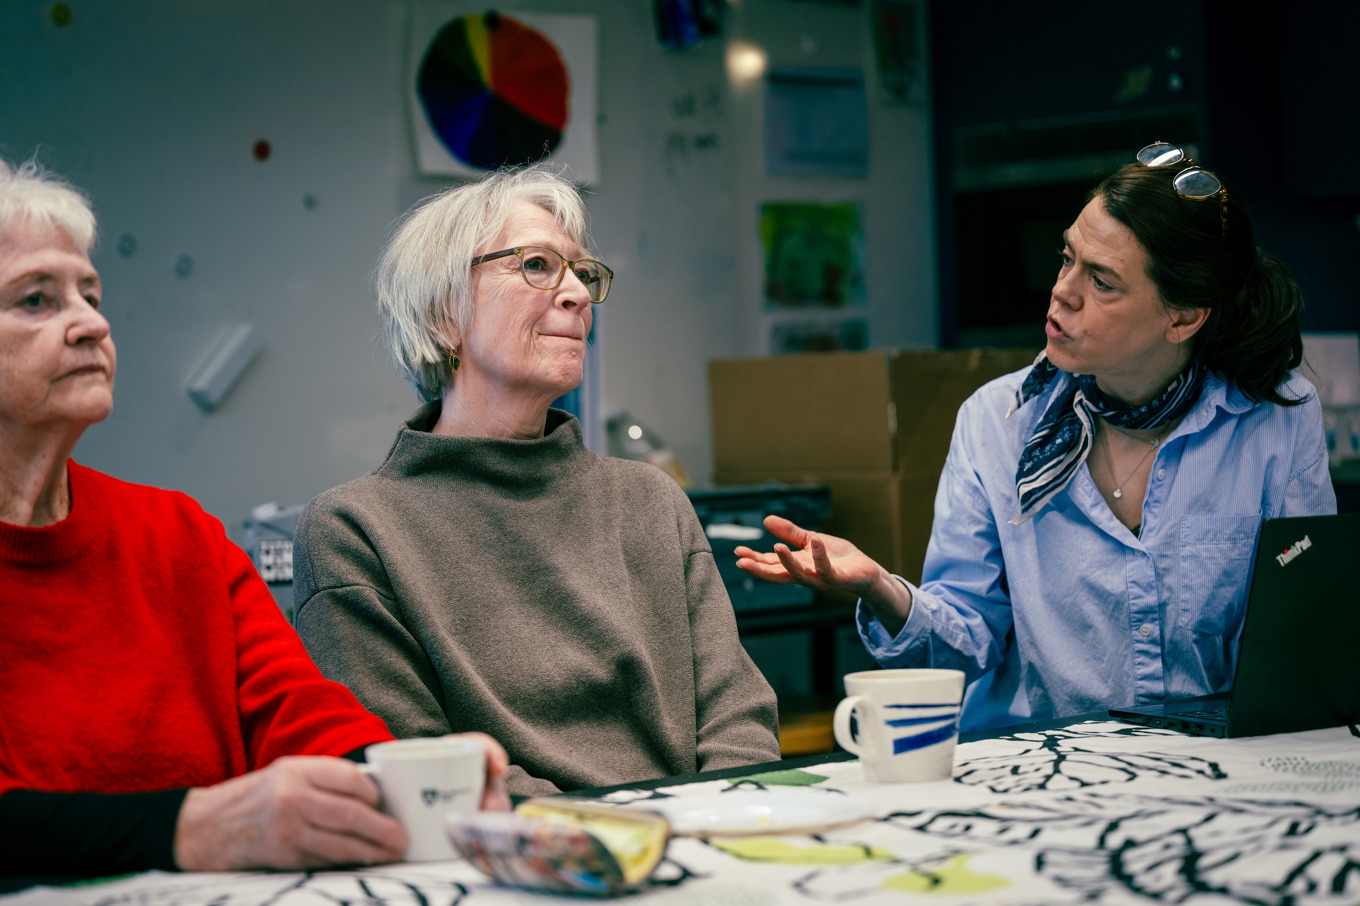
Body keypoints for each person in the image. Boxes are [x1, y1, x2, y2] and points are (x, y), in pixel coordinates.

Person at [0, 157, 510, 881]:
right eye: (35, 300)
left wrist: (396, 774)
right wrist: (188, 829)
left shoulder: (178, 535)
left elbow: (294, 708)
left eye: (90, 292)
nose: (91, 323)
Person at [736, 143, 1337, 731]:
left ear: (1183, 317)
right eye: (1067, 257)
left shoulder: (1274, 417)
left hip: (1216, 766)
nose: (1062, 292)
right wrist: (881, 588)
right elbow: (967, 641)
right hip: (1051, 767)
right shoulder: (996, 422)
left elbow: (1302, 633)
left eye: (1102, 281)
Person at [293, 163, 780, 797]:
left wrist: (721, 822)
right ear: (443, 314)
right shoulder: (354, 530)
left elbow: (737, 715)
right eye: (536, 266)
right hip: (515, 867)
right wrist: (614, 840)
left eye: (581, 272)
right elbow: (414, 762)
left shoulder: (649, 499)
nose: (577, 293)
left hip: (699, 846)